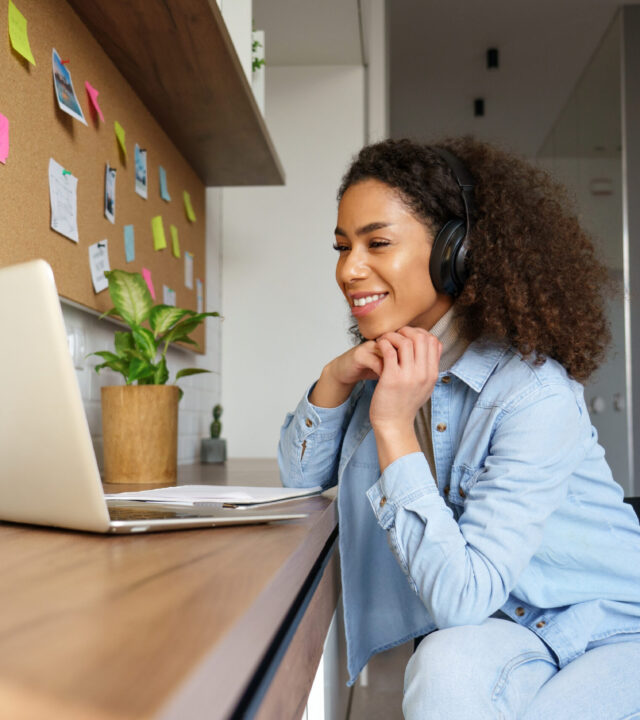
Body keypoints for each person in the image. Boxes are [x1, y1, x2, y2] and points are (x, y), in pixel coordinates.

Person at [277, 137, 640, 719]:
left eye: (378, 243)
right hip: (510, 627)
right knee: (445, 665)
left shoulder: (533, 394)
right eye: (343, 247)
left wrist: (392, 425)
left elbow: (459, 596)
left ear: (456, 251)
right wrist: (335, 379)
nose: (349, 269)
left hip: (613, 627)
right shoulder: (391, 367)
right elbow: (300, 475)